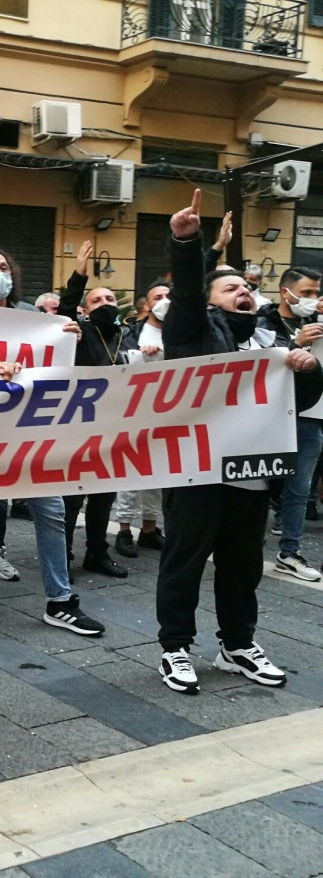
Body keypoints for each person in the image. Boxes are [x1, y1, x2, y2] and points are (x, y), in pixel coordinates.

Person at [156, 189, 323, 694]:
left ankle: (237, 644)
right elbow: (186, 293)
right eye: (229, 288)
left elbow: (297, 398)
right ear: (209, 300)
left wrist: (307, 367)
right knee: (184, 561)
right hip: (197, 470)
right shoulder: (192, 330)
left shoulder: (269, 339)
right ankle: (175, 648)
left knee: (242, 566)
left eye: (245, 286)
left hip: (251, 475)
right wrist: (188, 243)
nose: (242, 291)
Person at [0, 246, 105, 637]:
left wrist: (70, 335)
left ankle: (60, 600)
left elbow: (59, 361)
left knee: (52, 511)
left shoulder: (32, 319)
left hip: (30, 433)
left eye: (4, 267)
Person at [58, 240, 136, 580]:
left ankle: (97, 554)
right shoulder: (79, 332)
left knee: (104, 496)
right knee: (72, 497)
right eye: (97, 300)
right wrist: (78, 276)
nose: (105, 303)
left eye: (109, 299)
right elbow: (65, 308)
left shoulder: (128, 336)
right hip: (78, 423)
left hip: (115, 426)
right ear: (85, 310)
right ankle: (61, 555)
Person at [256, 267, 323, 582]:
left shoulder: (317, 323)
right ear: (286, 292)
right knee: (259, 483)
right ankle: (246, 542)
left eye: (315, 293)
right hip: (269, 417)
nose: (312, 299)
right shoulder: (262, 323)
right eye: (307, 293)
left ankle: (289, 552)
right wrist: (294, 342)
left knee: (299, 489)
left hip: (310, 418)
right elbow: (256, 364)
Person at [114, 281, 170, 558]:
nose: (163, 300)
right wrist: (139, 355)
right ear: (146, 305)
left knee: (157, 471)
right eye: (157, 297)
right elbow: (118, 361)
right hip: (132, 410)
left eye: (168, 296)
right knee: (129, 471)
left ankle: (149, 528)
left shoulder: (181, 333)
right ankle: (124, 529)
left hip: (167, 412)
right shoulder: (130, 331)